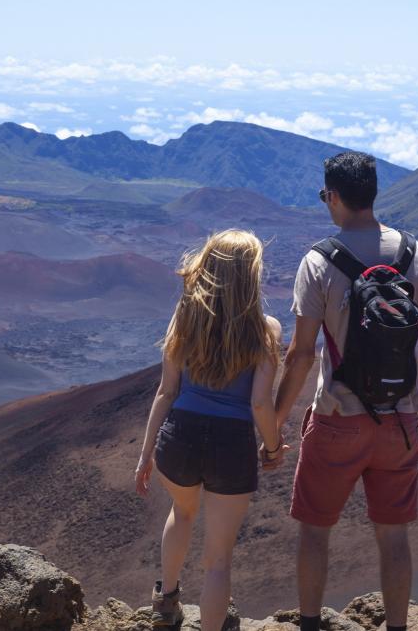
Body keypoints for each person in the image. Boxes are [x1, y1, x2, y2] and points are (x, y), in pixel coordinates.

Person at [274, 151, 418, 631]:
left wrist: (271, 421)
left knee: (314, 531)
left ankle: (309, 623)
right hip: (401, 421)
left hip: (335, 419)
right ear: (373, 193)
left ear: (332, 196)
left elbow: (301, 355)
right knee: (393, 538)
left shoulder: (318, 262)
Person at [135, 229, 288, 631]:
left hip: (180, 436)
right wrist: (273, 447)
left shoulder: (185, 318)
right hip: (231, 444)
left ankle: (165, 605)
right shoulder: (266, 329)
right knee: (219, 559)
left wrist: (146, 452)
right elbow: (259, 402)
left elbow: (167, 390)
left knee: (182, 512)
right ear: (251, 274)